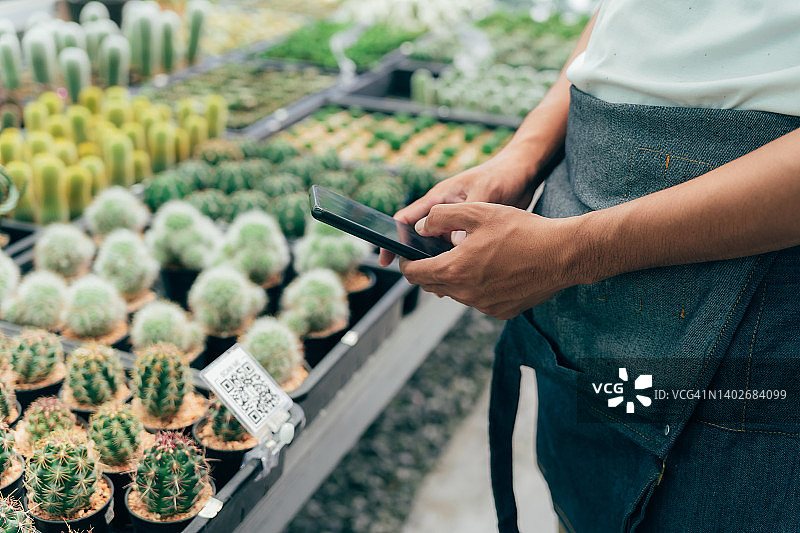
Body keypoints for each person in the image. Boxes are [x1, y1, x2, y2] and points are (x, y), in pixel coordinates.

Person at [379, 2, 800, 532]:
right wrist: (522, 156)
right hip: (589, 304)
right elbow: (615, 19)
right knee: (584, 501)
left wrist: (569, 252)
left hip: (751, 297)